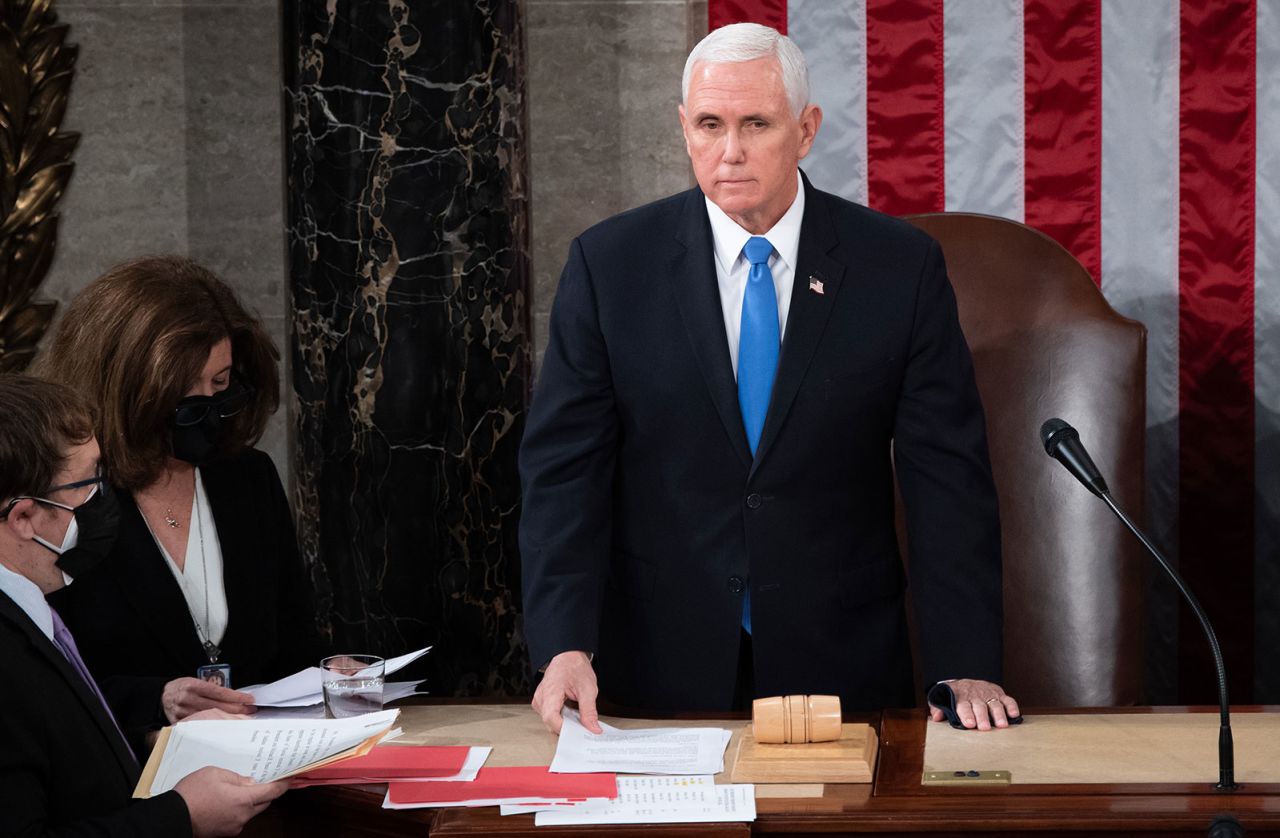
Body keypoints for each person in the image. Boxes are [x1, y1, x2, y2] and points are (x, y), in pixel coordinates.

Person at [520, 23, 1019, 732]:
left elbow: (949, 480)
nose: (731, 151)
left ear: (806, 130)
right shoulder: (611, 268)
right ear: (684, 130)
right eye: (710, 125)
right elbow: (563, 476)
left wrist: (964, 658)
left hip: (843, 670)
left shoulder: (897, 270)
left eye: (756, 123)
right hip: (657, 674)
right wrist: (564, 645)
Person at [40, 256, 325, 731]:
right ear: (125, 389)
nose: (208, 410)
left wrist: (331, 675)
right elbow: (43, 684)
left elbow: (294, 641)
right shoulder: (60, 499)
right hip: (130, 780)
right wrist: (156, 699)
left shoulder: (248, 478)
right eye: (181, 392)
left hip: (264, 761)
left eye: (219, 383)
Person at [0, 374, 287, 836]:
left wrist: (158, 741)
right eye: (89, 484)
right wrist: (183, 816)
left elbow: (62, 756)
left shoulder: (31, 609)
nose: (103, 498)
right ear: (25, 517)